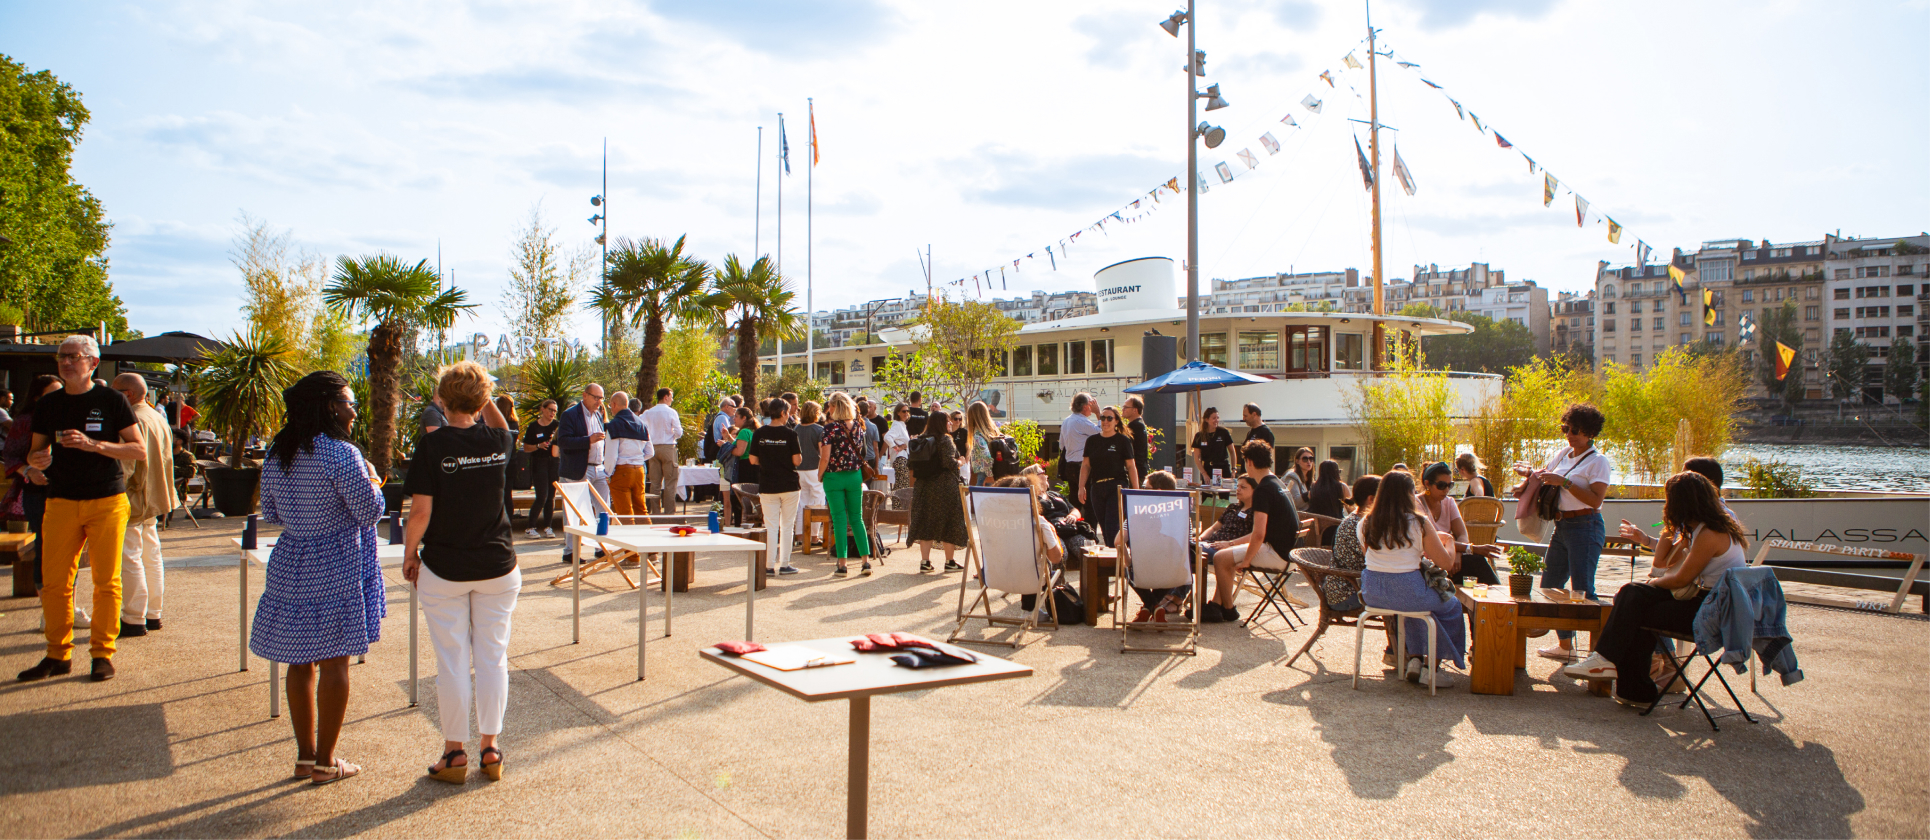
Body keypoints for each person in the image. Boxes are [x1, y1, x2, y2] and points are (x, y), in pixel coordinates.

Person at [248, 371, 385, 784]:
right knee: (336, 661)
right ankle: (327, 762)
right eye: (348, 402)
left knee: (299, 660)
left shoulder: (279, 453)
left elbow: (270, 513)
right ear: (330, 406)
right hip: (336, 560)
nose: (353, 410)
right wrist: (374, 480)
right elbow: (370, 511)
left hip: (292, 560)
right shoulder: (341, 454)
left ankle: (305, 756)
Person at [402, 361, 517, 785]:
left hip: (445, 567)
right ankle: (491, 748)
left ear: (440, 399)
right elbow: (501, 424)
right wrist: (486, 400)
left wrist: (410, 553)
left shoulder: (431, 446)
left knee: (452, 660)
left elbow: (420, 511)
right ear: (484, 400)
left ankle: (454, 753)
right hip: (498, 565)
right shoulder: (499, 440)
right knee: (493, 657)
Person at [18, 336, 145, 684]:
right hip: (59, 501)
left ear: (92, 362)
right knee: (56, 582)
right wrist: (37, 460)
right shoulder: (49, 405)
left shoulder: (111, 400)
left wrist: (94, 445)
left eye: (74, 356)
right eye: (61, 357)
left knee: (107, 581)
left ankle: (102, 654)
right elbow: (34, 453)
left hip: (106, 500)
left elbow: (138, 449)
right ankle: (57, 655)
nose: (65, 362)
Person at [1567, 471, 1750, 706]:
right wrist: (1671, 530)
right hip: (1708, 601)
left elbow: (1679, 580)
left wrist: (1650, 584)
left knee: (1634, 604)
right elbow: (1664, 565)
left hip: (1714, 611)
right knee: (1632, 598)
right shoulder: (1702, 528)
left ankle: (1614, 669)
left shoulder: (1710, 534)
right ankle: (1625, 682)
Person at [1511, 403, 1612, 662]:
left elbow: (1595, 500)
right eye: (1566, 428)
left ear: (1590, 433)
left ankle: (1599, 653)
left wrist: (1565, 482)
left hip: (1586, 525)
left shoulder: (1598, 461)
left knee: (1583, 590)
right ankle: (1566, 647)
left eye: (1575, 429)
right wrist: (1529, 477)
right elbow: (1547, 477)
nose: (1569, 433)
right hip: (1563, 524)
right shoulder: (1563, 453)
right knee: (1550, 585)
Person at [1359, 469, 1466, 687]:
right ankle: (1431, 669)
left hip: (1373, 592)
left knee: (1416, 611)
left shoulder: (1365, 522)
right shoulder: (1419, 523)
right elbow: (1445, 563)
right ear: (1409, 494)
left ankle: (1415, 660)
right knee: (1451, 606)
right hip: (1409, 591)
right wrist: (1450, 543)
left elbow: (1374, 559)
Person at [111, 373, 175, 638]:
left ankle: (134, 617)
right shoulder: (157, 416)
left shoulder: (132, 419)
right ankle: (152, 613)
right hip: (156, 495)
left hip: (134, 494)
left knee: (131, 555)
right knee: (151, 554)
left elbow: (126, 466)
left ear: (126, 395)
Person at [1204, 440, 1297, 623]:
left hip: (1276, 553)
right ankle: (1217, 605)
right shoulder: (1278, 483)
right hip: (1290, 553)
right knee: (1227, 557)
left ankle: (1228, 609)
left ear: (1250, 462)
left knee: (1220, 558)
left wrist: (1246, 561)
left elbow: (1259, 533)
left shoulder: (1263, 489)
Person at [4, 376, 69, 626]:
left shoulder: (71, 415)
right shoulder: (25, 421)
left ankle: (65, 607)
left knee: (68, 550)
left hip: (70, 491)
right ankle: (49, 612)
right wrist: (28, 471)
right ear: (36, 397)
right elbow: (10, 456)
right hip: (38, 494)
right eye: (53, 393)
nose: (60, 397)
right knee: (45, 547)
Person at [1416, 462, 1503, 585]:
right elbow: (1432, 540)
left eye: (1449, 485)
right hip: (1426, 562)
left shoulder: (1449, 502)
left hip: (1448, 558)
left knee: (1476, 562)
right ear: (1427, 484)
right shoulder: (1416, 504)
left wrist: (1456, 553)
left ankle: (1497, 599)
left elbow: (1462, 534)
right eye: (1441, 485)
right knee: (1475, 562)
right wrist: (1470, 548)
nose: (1446, 490)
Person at [818, 394, 873, 576]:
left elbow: (825, 457)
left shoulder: (829, 429)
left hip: (834, 476)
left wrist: (820, 475)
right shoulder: (858, 427)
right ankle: (865, 561)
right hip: (854, 476)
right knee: (857, 518)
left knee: (839, 519)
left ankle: (842, 564)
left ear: (834, 407)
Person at [906, 412, 969, 573]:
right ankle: (950, 561)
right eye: (948, 421)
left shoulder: (920, 439)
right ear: (942, 423)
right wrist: (961, 461)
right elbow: (949, 463)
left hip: (923, 486)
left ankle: (925, 562)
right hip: (944, 486)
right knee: (950, 522)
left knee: (926, 522)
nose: (950, 424)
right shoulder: (945, 439)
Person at [750, 398, 803, 576]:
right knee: (787, 525)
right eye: (788, 412)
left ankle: (769, 565)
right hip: (788, 483)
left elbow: (752, 459)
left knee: (771, 525)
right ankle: (785, 563)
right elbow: (797, 460)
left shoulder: (759, 433)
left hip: (767, 483)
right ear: (783, 413)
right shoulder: (790, 434)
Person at [555, 383, 610, 541]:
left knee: (604, 509)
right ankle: (571, 551)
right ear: (585, 395)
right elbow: (563, 441)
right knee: (574, 510)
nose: (599, 401)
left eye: (601, 398)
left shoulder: (598, 415)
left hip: (599, 468)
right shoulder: (570, 415)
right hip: (579, 469)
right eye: (596, 397)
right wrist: (588, 440)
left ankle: (601, 546)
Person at [1078, 405, 1139, 547]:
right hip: (1097, 487)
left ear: (1116, 421)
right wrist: (1081, 487)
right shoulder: (1092, 441)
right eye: (1103, 418)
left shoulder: (1123, 441)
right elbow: (1086, 465)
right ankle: (1114, 559)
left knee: (1112, 526)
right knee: (1104, 528)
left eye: (1109, 418)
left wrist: (1135, 491)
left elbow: (1131, 466)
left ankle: (1116, 561)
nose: (1105, 421)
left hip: (1117, 486)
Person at [1324, 474, 1379, 612]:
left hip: (1345, 589)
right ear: (1371, 499)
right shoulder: (1359, 525)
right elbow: (1376, 561)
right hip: (1347, 595)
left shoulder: (1356, 519)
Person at [605, 391, 651, 518]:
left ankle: (627, 538)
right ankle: (648, 537)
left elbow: (611, 455)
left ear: (614, 404)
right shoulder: (642, 424)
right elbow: (650, 452)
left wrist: (607, 473)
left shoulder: (613, 425)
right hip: (639, 470)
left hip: (622, 470)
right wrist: (637, 459)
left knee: (625, 513)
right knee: (642, 511)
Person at [521, 400, 560, 538]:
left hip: (553, 462)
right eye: (550, 409)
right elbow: (526, 448)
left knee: (551, 496)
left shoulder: (557, 425)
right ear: (542, 409)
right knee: (542, 496)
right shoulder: (533, 427)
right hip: (539, 462)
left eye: (555, 411)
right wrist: (538, 446)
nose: (552, 413)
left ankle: (548, 526)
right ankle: (530, 526)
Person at [642, 388, 682, 516]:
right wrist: (672, 436)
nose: (672, 399)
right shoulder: (671, 412)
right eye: (671, 396)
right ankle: (669, 514)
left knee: (655, 483)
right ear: (666, 397)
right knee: (670, 482)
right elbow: (679, 432)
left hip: (653, 448)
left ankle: (656, 513)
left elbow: (640, 423)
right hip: (667, 447)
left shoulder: (649, 412)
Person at [1057, 393, 1100, 508]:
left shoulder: (1066, 421)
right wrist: (1098, 413)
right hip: (1082, 465)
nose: (1093, 407)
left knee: (1074, 500)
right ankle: (1089, 525)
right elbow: (1101, 432)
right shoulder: (1081, 421)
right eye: (1092, 404)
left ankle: (1076, 524)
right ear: (1085, 406)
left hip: (1069, 464)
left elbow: (1062, 445)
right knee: (1090, 501)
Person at [793, 401, 826, 539]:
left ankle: (800, 534)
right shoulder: (819, 430)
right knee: (817, 502)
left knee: (801, 503)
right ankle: (813, 535)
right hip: (815, 468)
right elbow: (822, 452)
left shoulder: (795, 429)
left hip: (798, 468)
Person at [1305, 458, 1351, 546]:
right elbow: (1350, 510)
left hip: (1315, 533)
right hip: (1335, 531)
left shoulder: (1314, 487)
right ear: (1336, 472)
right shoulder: (1342, 487)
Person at [1190, 406, 1234, 485]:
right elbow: (1196, 457)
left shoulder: (1223, 432)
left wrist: (1234, 469)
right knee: (1207, 495)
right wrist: (1204, 473)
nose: (1216, 420)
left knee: (1224, 496)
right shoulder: (1199, 436)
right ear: (1207, 419)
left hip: (1223, 467)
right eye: (1214, 418)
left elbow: (1232, 452)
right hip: (1208, 468)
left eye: (1218, 418)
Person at [966, 400, 999, 486]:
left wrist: (989, 476)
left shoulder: (978, 437)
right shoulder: (993, 433)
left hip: (985, 477)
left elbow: (986, 458)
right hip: (997, 475)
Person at [1236, 402, 1273, 473]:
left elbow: (1266, 459)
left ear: (1254, 414)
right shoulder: (1250, 432)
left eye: (1245, 416)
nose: (1243, 419)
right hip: (1247, 476)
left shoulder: (1265, 432)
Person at [884, 403, 913, 493]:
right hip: (900, 459)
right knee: (901, 487)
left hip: (903, 459)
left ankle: (898, 506)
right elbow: (887, 437)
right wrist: (896, 448)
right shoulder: (897, 425)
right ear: (898, 413)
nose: (906, 413)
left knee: (902, 486)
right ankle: (897, 506)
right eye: (903, 411)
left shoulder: (901, 425)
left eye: (907, 411)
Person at [1122, 396, 1149, 486]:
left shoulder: (1135, 426)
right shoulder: (1139, 424)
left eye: (1126, 407)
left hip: (1135, 472)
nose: (1123, 409)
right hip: (1139, 471)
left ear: (1135, 410)